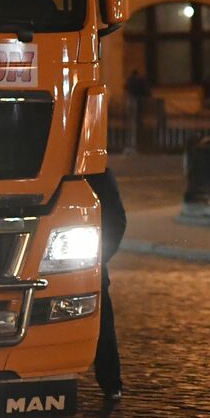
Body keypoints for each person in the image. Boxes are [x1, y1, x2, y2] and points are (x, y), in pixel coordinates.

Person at [87, 168, 128, 401]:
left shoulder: (98, 172)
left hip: (90, 264)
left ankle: (111, 382)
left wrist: (98, 258)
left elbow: (116, 220)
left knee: (102, 322)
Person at [123, 69, 151, 155]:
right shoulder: (136, 82)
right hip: (136, 105)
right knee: (134, 124)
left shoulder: (131, 82)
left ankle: (133, 145)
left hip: (135, 105)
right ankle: (133, 146)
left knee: (133, 125)